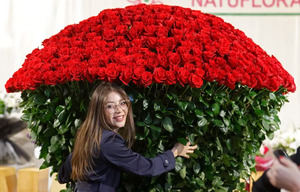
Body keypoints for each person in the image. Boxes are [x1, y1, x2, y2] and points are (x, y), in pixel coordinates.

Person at [58, 82, 198, 192]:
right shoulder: (108, 142)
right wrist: (174, 152)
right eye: (110, 106)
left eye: (122, 103)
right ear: (99, 111)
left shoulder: (88, 135)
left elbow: (64, 172)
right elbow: (145, 167)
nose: (119, 110)